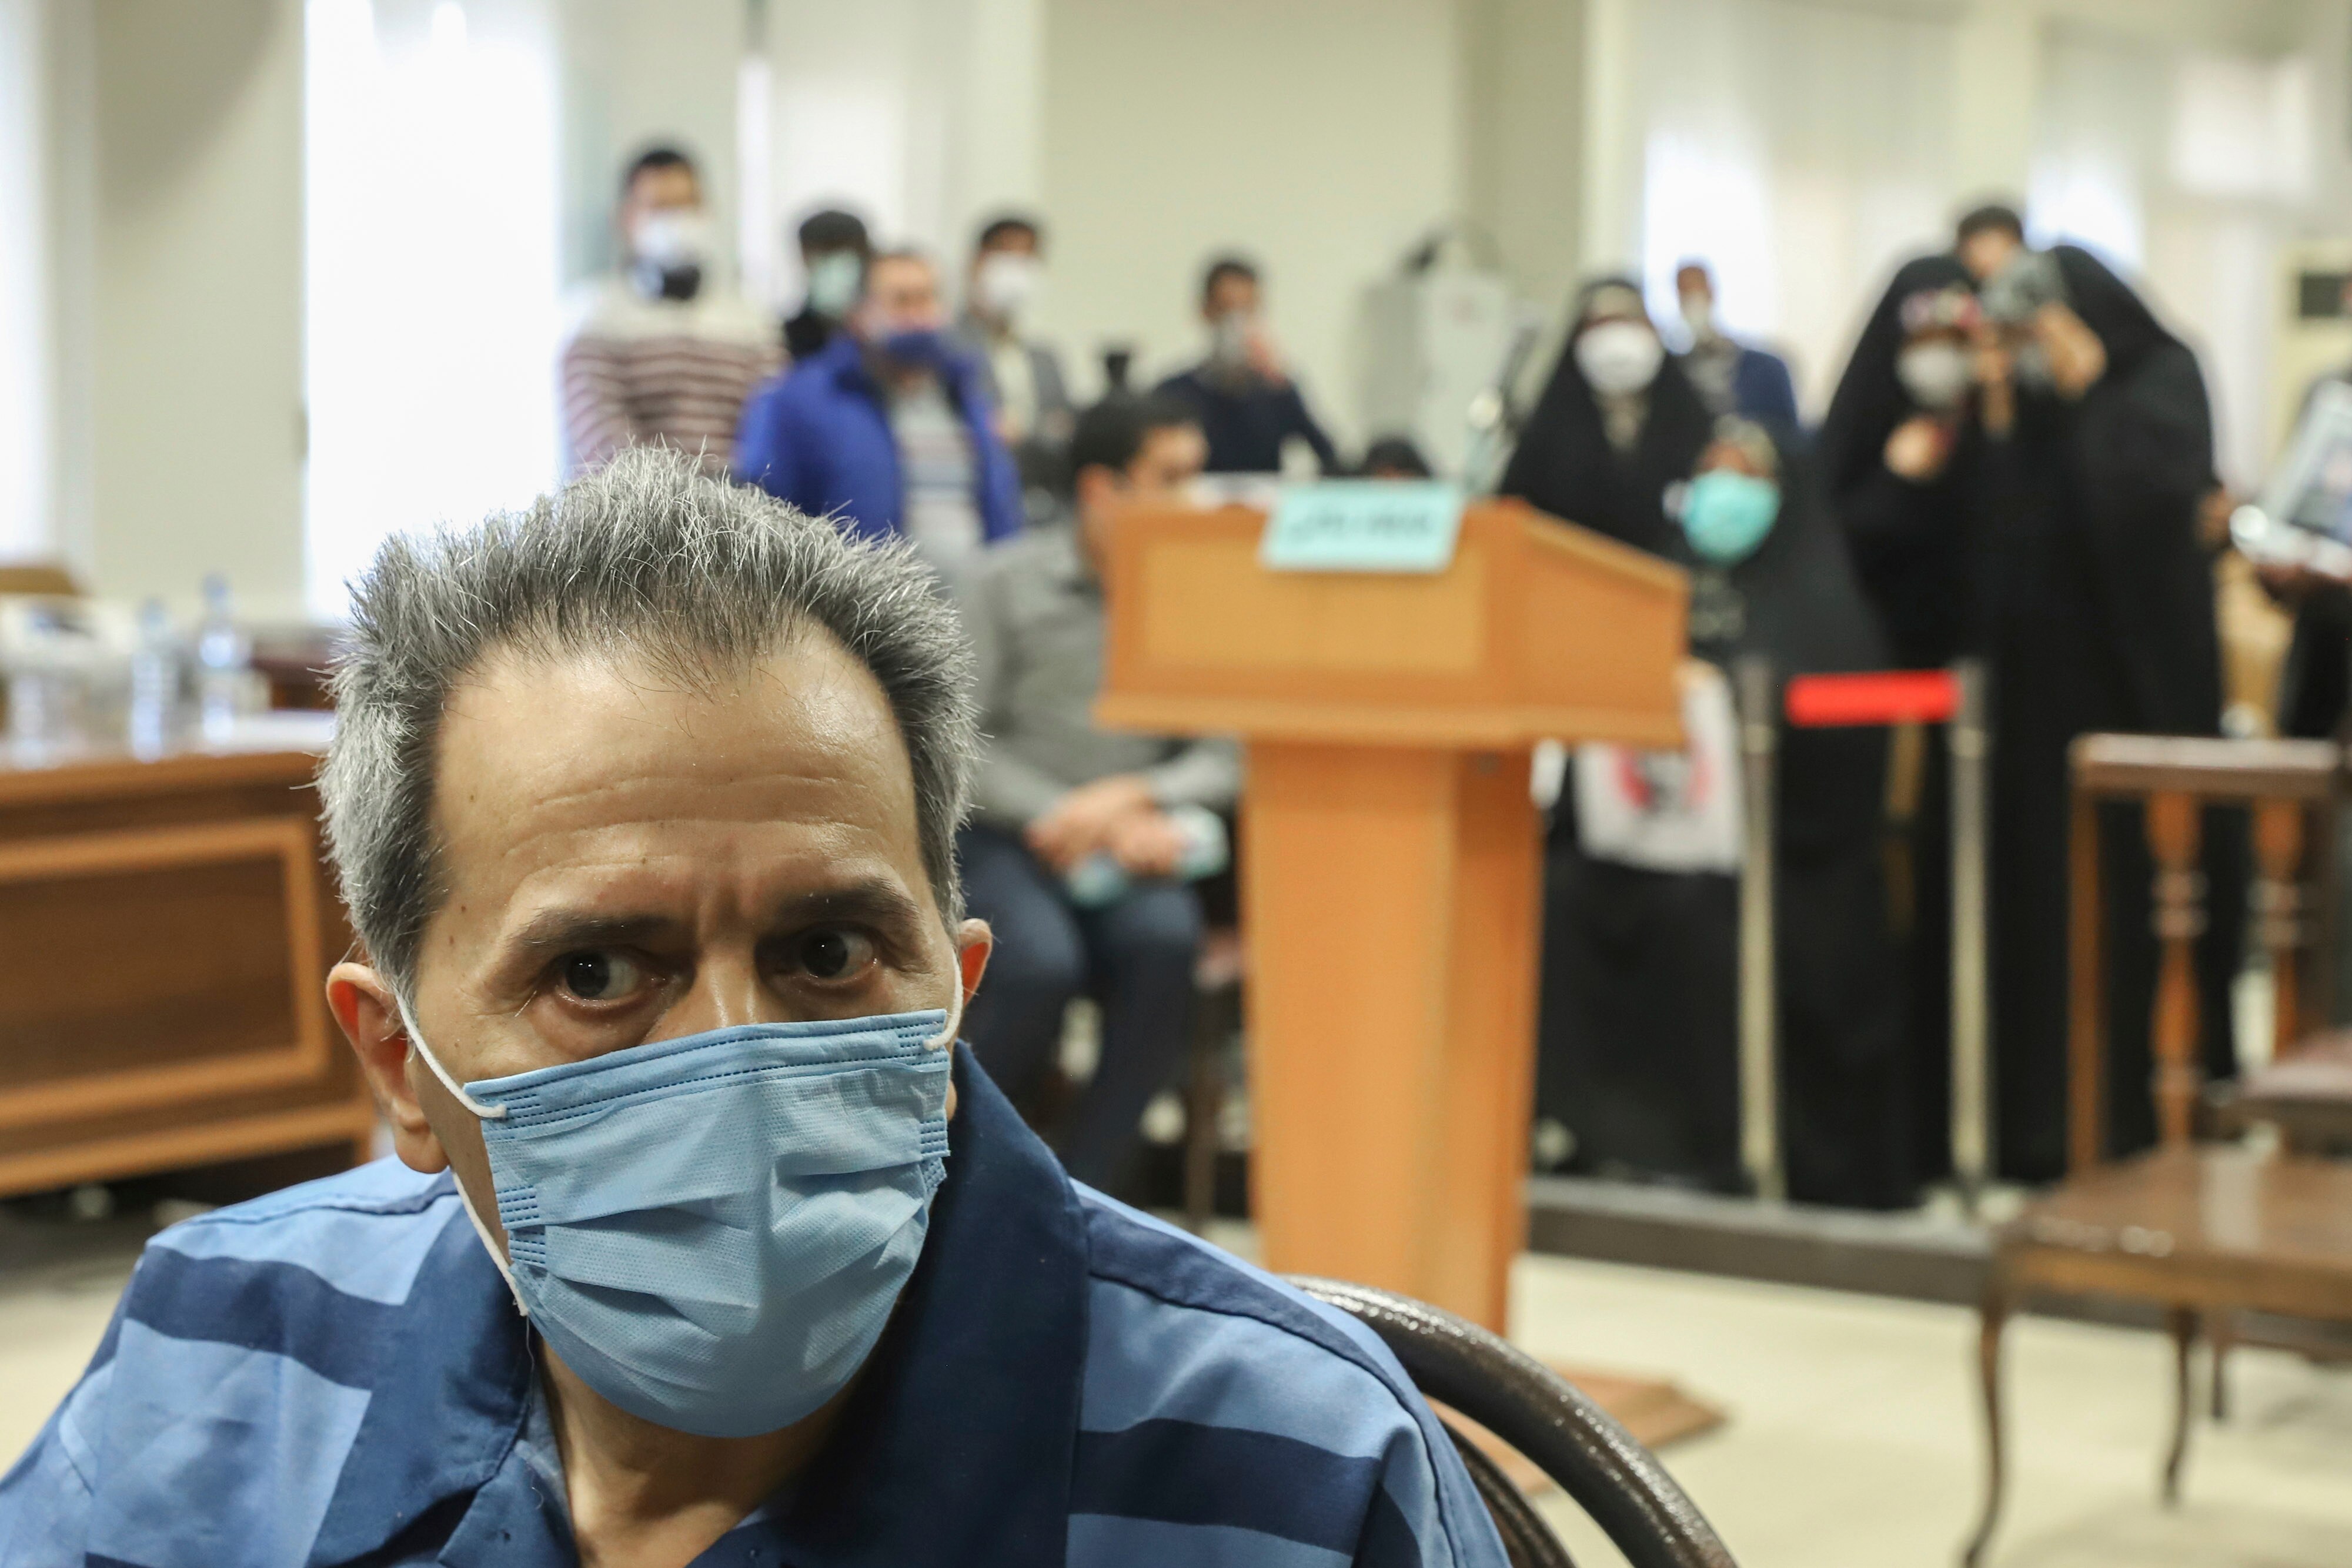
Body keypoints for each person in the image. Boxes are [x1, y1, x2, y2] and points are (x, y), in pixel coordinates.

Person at [0, 450, 1509, 1568]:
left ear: (954, 994)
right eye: (597, 973)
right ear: (399, 1060)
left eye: (827, 951)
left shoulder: (1295, 1479)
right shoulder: (223, 1349)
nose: (738, 1059)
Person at [1827, 209, 2243, 1179]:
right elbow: (1957, 540)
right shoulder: (2005, 402)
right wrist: (1992, 415)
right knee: (2010, 921)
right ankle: (2004, 1129)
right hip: (2006, 729)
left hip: (2122, 713)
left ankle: (2119, 1128)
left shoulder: (2158, 379)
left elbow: (2148, 521)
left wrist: (2086, 385)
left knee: (2113, 929)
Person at [1534, 415, 1910, 1204]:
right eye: (1711, 471)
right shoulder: (1664, 583)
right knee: (1563, 896)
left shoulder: (1822, 602)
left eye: (1744, 475)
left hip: (1787, 853)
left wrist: (1744, 709)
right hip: (1644, 844)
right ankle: (1597, 1134)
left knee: (1708, 917)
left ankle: (1728, 1147)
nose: (1722, 492)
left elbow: (1847, 761)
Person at [957, 395, 1234, 1193]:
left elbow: (1227, 752)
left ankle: (1085, 1196)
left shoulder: (1199, 596)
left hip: (1134, 838)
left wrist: (1128, 801)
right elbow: (956, 739)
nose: (1192, 499)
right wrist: (1063, 812)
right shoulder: (1002, 583)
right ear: (1102, 490)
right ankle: (963, 1176)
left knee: (1164, 944)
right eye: (1170, 478)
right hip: (1013, 834)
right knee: (1036, 963)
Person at [736, 248, 1023, 579]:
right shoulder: (799, 402)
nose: (918, 317)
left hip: (972, 601)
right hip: (860, 601)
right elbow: (764, 517)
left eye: (927, 298)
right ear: (860, 315)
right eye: (902, 301)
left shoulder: (967, 396)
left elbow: (1002, 509)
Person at [559, 146, 779, 479]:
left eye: (687, 206)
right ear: (627, 218)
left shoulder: (752, 320)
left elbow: (774, 432)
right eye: (660, 208)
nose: (678, 221)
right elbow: (604, 448)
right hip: (638, 506)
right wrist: (686, 505)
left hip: (744, 505)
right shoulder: (595, 318)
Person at [1499, 276, 1713, 554]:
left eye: (1628, 321)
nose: (1617, 336)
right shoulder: (1549, 424)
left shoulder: (1688, 419)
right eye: (1602, 324)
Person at [1155, 256, 1340, 475]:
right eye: (1225, 309)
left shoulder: (1276, 390)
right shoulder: (1173, 393)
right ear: (1206, 311)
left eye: (1247, 310)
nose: (1236, 322)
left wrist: (1282, 386)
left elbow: (1330, 456)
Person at [953, 212, 1074, 502]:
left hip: (1042, 500)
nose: (1017, 269)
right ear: (977, 262)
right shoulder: (950, 346)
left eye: (1028, 258)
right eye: (1006, 254)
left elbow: (1065, 429)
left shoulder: (1045, 357)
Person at [1674, 261, 1801, 427]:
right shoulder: (1676, 375)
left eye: (1696, 294)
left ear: (1711, 294)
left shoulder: (1767, 368)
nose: (1692, 305)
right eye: (1685, 297)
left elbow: (1791, 432)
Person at [781, 206, 871, 363]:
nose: (834, 267)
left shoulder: (884, 332)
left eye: (844, 254)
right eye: (823, 254)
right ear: (803, 258)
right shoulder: (792, 336)